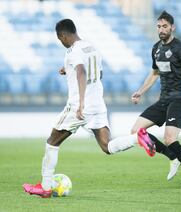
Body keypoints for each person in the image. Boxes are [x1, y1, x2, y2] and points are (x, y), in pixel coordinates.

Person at [22, 19, 154, 198]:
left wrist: (81, 102)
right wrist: (68, 70)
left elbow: (82, 72)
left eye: (60, 39)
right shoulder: (92, 48)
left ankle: (45, 187)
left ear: (63, 35)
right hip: (98, 104)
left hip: (79, 106)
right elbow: (97, 74)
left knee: (52, 142)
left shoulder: (73, 51)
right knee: (107, 146)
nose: (61, 43)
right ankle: (137, 138)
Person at [131, 10, 181, 188]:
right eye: (159, 26)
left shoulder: (180, 48)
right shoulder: (156, 48)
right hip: (163, 100)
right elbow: (154, 74)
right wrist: (140, 91)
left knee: (170, 138)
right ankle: (172, 156)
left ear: (172, 27)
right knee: (136, 131)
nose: (161, 29)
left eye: (165, 26)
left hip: (179, 99)